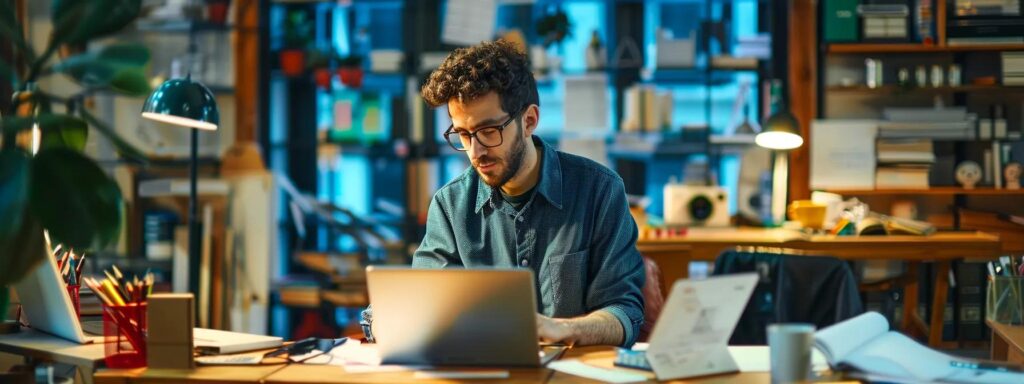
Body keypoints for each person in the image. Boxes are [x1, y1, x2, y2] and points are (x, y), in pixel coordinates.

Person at [363, 40, 644, 347]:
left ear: (529, 120)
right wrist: (387, 321)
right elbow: (425, 302)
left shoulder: (599, 191)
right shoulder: (450, 205)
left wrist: (564, 329)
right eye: (463, 134)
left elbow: (625, 313)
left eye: (488, 131)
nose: (475, 151)